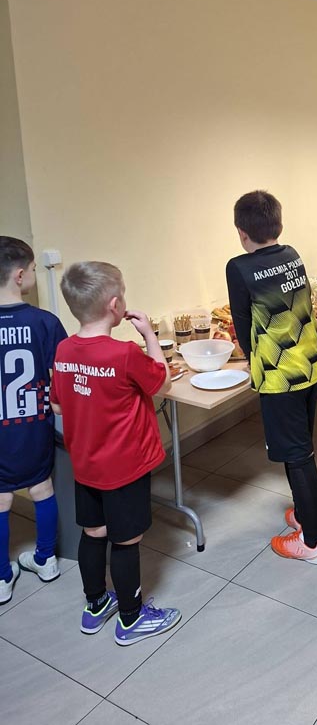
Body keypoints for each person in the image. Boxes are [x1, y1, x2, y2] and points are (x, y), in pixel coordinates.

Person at [50, 262, 181, 644]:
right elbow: (161, 383)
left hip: (85, 463)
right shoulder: (123, 353)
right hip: (124, 466)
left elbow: (58, 405)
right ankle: (131, 618)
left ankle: (95, 605)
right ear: (115, 305)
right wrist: (150, 335)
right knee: (125, 541)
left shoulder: (63, 349)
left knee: (93, 532)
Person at [226, 190, 317, 564]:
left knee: (298, 456)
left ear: (242, 232)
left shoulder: (238, 267)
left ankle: (313, 543)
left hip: (280, 375)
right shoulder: (292, 254)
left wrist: (250, 358)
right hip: (311, 365)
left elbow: (241, 323)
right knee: (300, 448)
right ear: (279, 225)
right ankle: (303, 513)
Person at [0, 237, 67, 605]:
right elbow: (63, 375)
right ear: (20, 275)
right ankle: (46, 559)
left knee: (1, 499)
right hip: (33, 425)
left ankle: (1, 576)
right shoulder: (45, 322)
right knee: (42, 488)